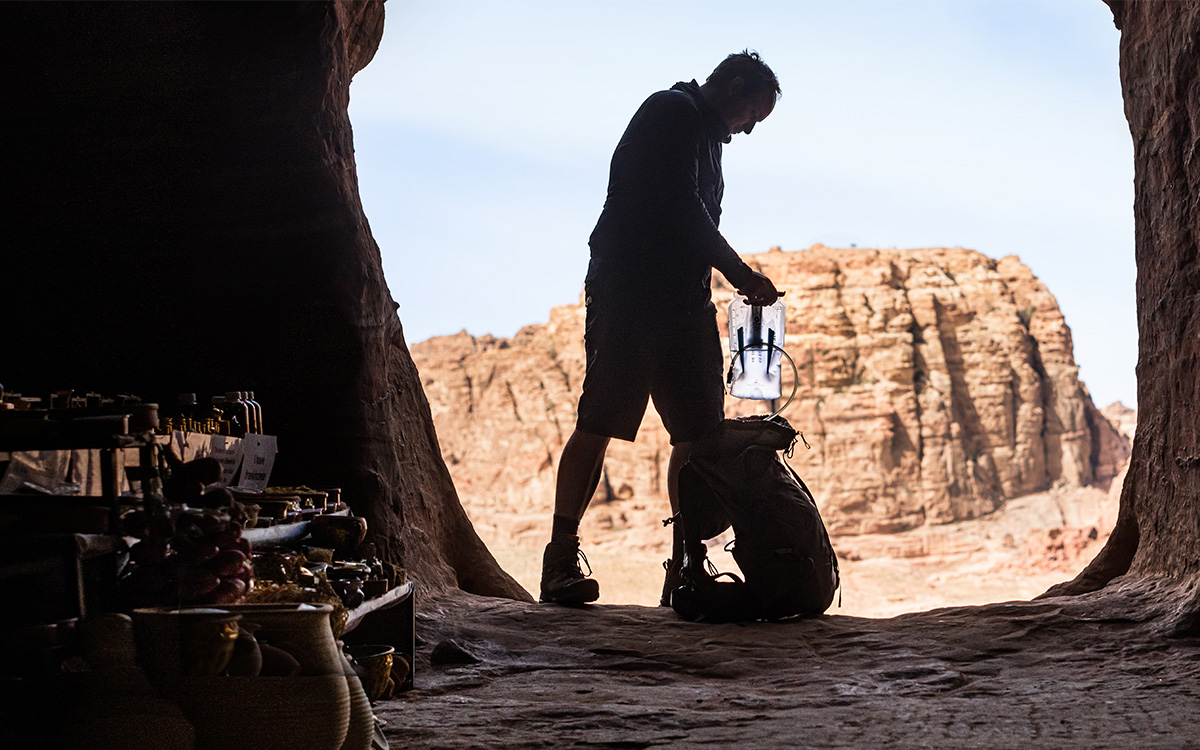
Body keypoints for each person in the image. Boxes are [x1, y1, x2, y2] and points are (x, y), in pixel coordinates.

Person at [540, 50, 782, 606]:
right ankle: (559, 562)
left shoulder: (705, 138)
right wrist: (741, 274)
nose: (747, 129)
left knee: (699, 436)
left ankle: (686, 566)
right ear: (734, 87)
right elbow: (682, 208)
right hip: (631, 295)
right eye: (752, 114)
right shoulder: (670, 114)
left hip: (685, 304)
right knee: (600, 419)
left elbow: (693, 219)